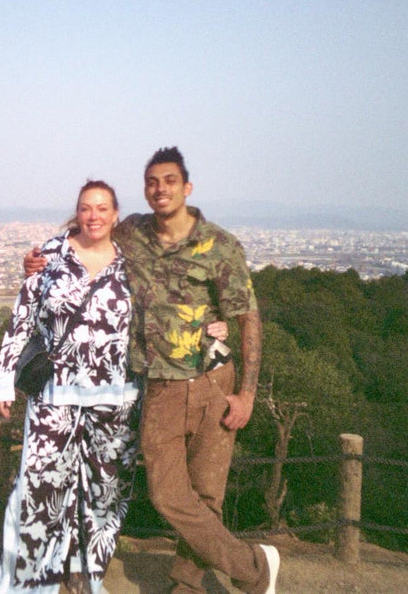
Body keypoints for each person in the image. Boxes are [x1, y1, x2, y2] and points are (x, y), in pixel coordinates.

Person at [25, 148, 279, 594]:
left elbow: (248, 318)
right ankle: (254, 568)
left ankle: (188, 583)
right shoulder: (134, 232)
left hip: (213, 380)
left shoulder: (219, 246)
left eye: (170, 180)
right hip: (160, 384)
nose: (160, 189)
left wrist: (248, 393)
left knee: (207, 494)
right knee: (167, 496)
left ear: (187, 187)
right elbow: (90, 228)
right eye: (152, 182)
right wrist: (42, 260)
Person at [0, 180, 139, 594]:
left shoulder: (133, 262)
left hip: (117, 396)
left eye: (102, 208)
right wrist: (4, 380)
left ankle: (88, 576)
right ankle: (26, 584)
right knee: (38, 487)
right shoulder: (50, 255)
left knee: (106, 494)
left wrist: (213, 323)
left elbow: (167, 308)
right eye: (86, 207)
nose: (94, 216)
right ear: (77, 212)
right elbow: (23, 316)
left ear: (115, 214)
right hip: (55, 392)